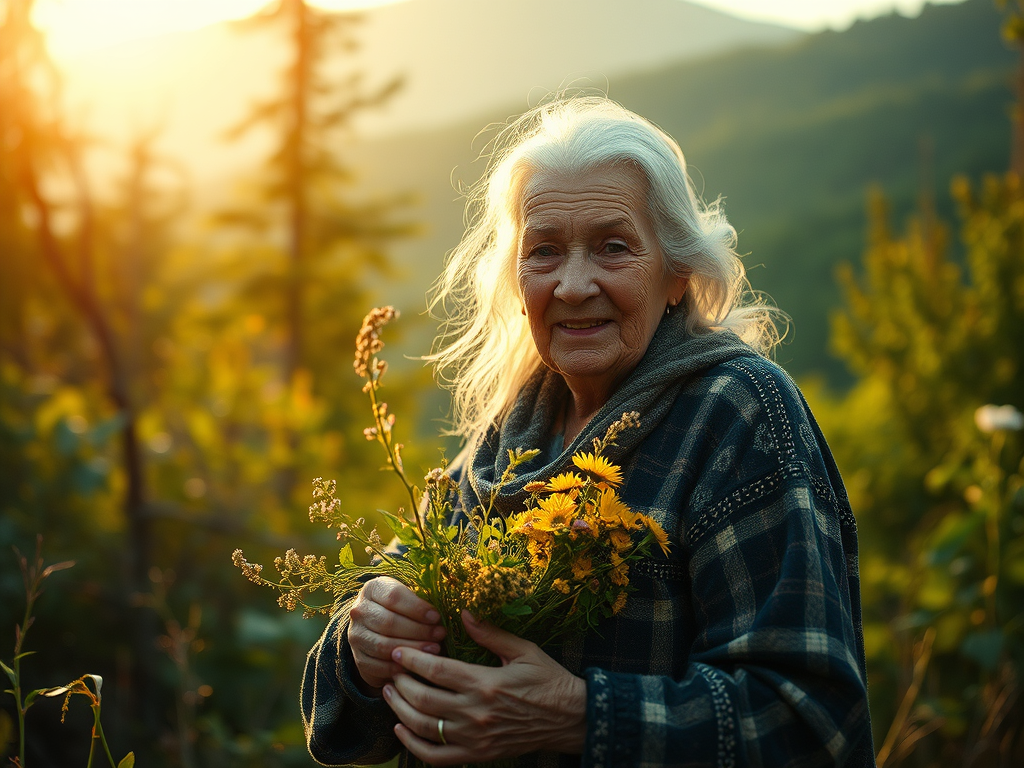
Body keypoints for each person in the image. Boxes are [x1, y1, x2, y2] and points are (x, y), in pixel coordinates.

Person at [301, 96, 874, 768]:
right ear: (516, 278)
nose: (573, 285)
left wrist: (579, 717)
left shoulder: (735, 412)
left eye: (613, 246)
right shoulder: (509, 436)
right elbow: (337, 729)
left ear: (676, 271)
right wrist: (363, 645)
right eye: (544, 250)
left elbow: (812, 728)